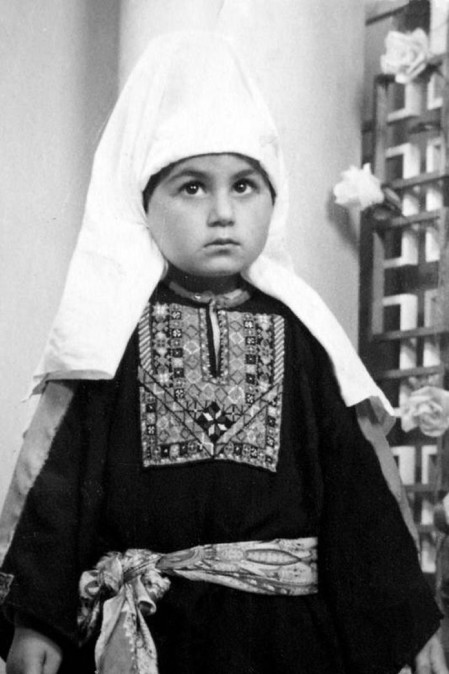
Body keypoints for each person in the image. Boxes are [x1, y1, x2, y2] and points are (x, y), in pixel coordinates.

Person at [0, 32, 446, 674]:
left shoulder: (306, 337)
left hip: (288, 644)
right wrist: (36, 621)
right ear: (142, 203)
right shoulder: (108, 338)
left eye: (243, 186)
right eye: (191, 188)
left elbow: (360, 495)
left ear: (274, 198)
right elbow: (58, 487)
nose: (221, 213)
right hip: (146, 638)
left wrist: (407, 624)